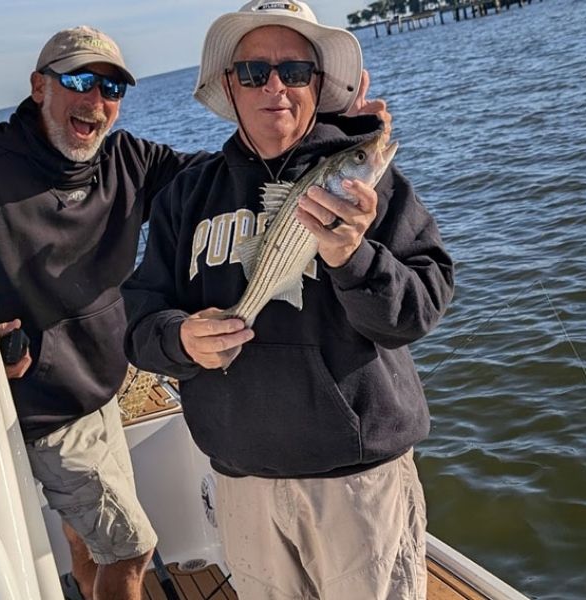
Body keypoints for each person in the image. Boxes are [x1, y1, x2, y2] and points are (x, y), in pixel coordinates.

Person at [122, 1, 455, 599]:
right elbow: (138, 319)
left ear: (317, 84)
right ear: (230, 85)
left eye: (294, 71)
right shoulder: (185, 196)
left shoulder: (370, 188)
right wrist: (181, 338)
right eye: (254, 72)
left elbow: (417, 313)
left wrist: (353, 256)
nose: (274, 86)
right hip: (240, 485)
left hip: (357, 485)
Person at [0, 26, 210, 600]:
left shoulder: (127, 160)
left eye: (112, 88)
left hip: (101, 383)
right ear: (39, 87)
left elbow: (214, 179)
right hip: (43, 407)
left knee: (89, 541)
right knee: (132, 549)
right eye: (79, 80)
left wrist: (320, 137)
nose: (96, 99)